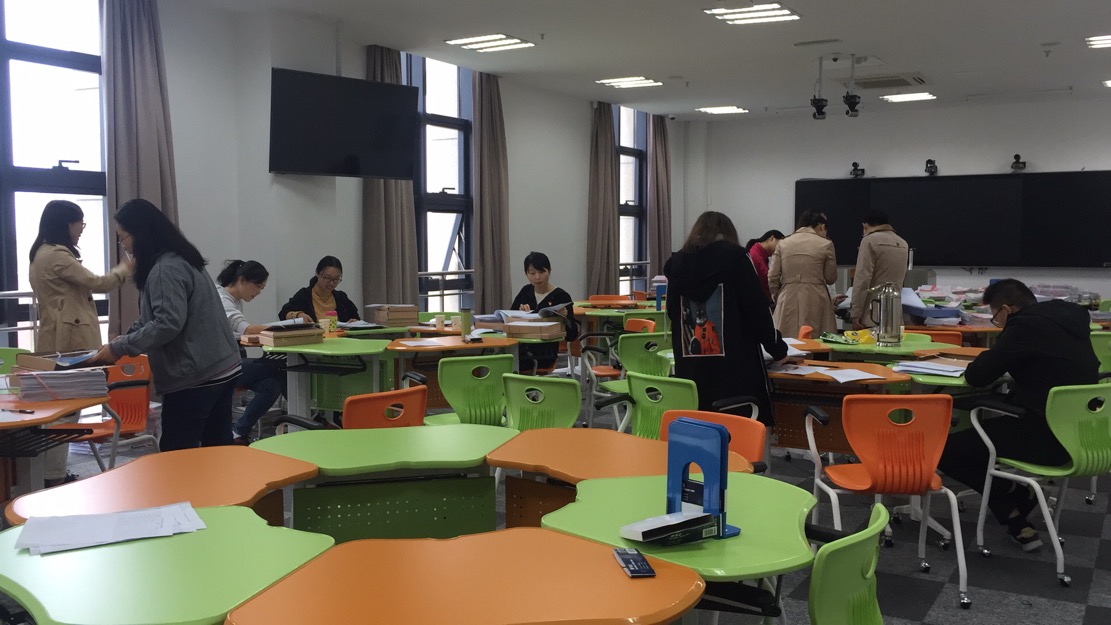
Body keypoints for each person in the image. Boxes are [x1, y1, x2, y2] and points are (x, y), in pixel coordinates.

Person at [938, 279, 1099, 551]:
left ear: (1006, 309)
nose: (997, 324)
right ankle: (1016, 498)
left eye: (995, 318)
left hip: (1045, 439)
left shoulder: (1024, 326)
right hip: (1083, 436)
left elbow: (978, 376)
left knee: (944, 449)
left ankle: (1012, 510)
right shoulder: (1071, 320)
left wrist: (993, 353)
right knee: (979, 440)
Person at [90, 199, 241, 452]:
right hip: (222, 367)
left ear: (139, 234)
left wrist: (119, 348)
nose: (124, 246)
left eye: (122, 238)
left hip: (196, 376)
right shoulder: (183, 258)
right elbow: (153, 317)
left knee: (176, 453)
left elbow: (167, 323)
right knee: (217, 450)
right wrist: (122, 341)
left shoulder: (165, 269)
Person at [28, 200, 132, 487]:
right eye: (79, 222)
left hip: (56, 336)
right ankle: (53, 476)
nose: (82, 228)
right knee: (66, 411)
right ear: (65, 223)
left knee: (61, 409)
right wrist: (125, 268)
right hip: (70, 340)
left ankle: (52, 473)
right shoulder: (57, 256)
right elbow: (98, 283)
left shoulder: (41, 253)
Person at [664, 211, 787, 419]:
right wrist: (778, 350)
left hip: (692, 371)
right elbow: (757, 311)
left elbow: (672, 312)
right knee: (739, 429)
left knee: (699, 424)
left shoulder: (677, 263)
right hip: (735, 373)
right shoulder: (737, 258)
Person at [216, 260, 284, 444]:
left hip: (229, 360)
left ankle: (238, 432)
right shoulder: (222, 299)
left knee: (271, 385)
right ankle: (298, 420)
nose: (259, 292)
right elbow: (246, 329)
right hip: (217, 366)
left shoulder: (234, 300)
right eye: (258, 286)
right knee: (277, 368)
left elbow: (239, 334)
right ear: (242, 280)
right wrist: (284, 327)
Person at [769, 210, 837, 338]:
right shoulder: (826, 244)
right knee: (815, 339)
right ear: (822, 226)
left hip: (787, 295)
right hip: (816, 296)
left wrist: (777, 294)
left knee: (786, 338)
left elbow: (773, 275)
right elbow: (830, 278)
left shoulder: (783, 243)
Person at [509, 251, 579, 371]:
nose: (537, 277)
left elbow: (572, 335)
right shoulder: (526, 291)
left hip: (545, 352)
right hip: (522, 347)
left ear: (549, 271)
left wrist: (565, 318)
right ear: (526, 274)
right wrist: (520, 313)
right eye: (532, 273)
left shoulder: (561, 296)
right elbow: (509, 320)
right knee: (500, 357)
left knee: (509, 362)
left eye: (541, 272)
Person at [849, 211, 909, 330]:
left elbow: (863, 279)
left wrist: (855, 313)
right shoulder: (903, 243)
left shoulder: (869, 241)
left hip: (872, 313)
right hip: (895, 314)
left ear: (865, 226)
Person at [279, 256, 360, 323]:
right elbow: (283, 313)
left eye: (336, 279)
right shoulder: (304, 295)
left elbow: (356, 319)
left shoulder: (341, 298)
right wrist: (298, 315)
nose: (332, 283)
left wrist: (354, 322)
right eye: (327, 278)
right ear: (317, 274)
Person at [745, 229, 785, 304]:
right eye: (779, 245)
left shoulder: (762, 256)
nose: (780, 249)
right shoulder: (755, 256)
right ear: (772, 238)